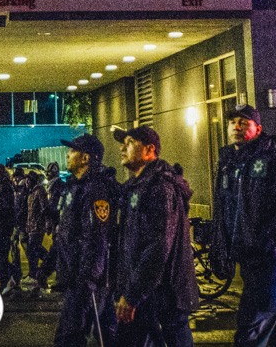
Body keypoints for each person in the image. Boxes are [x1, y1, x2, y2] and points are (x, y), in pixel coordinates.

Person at [213, 105, 276, 347]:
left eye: (243, 122)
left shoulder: (275, 162)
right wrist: (220, 247)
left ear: (258, 129)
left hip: (272, 258)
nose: (236, 126)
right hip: (249, 257)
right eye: (232, 122)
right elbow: (223, 209)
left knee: (251, 326)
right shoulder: (229, 165)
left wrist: (270, 238)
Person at [111, 126, 198, 347]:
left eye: (129, 142)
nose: (122, 148)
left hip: (164, 294)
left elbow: (157, 247)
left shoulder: (160, 188)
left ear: (149, 150)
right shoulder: (136, 186)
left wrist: (131, 295)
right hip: (145, 294)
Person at [52, 134, 118, 347]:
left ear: (86, 158)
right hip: (77, 275)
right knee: (106, 334)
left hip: (87, 280)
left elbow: (96, 238)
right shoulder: (74, 186)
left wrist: (87, 279)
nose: (67, 154)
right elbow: (66, 234)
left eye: (72, 151)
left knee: (68, 337)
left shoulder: (96, 190)